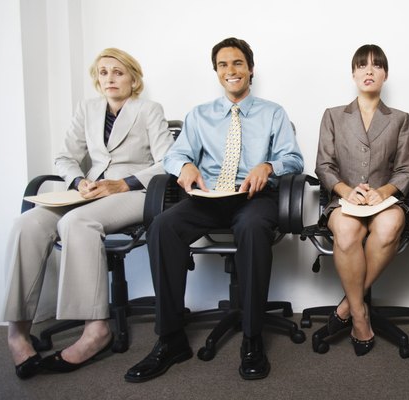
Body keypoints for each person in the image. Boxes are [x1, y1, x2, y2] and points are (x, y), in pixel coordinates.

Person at [125, 38, 303, 382]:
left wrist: (267, 166)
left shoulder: (273, 113)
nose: (231, 71)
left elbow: (294, 158)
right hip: (208, 198)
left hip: (253, 199)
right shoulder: (199, 115)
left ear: (250, 69)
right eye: (223, 65)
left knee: (251, 229)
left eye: (238, 63)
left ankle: (252, 338)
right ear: (216, 72)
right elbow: (174, 155)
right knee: (163, 226)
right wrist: (184, 168)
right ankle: (171, 338)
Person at [3, 48, 173, 379]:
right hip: (90, 189)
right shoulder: (87, 109)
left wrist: (122, 184)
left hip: (134, 192)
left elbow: (168, 161)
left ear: (133, 78)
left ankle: (95, 330)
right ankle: (17, 332)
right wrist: (79, 180)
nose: (109, 78)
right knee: (28, 223)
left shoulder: (149, 110)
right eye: (103, 72)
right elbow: (65, 157)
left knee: (77, 221)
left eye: (118, 72)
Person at [315, 44, 409, 356]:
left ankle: (346, 306)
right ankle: (360, 315)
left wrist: (383, 192)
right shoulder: (333, 116)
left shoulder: (400, 119)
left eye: (376, 66)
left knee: (387, 229)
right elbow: (324, 166)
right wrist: (347, 191)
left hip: (386, 202)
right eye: (362, 65)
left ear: (385, 74)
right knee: (346, 232)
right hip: (345, 201)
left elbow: (406, 169)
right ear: (353, 73)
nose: (369, 71)